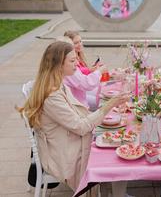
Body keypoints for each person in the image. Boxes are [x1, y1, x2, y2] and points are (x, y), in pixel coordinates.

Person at [18, 41, 129, 191]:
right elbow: (81, 127)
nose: (77, 63)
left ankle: (115, 192)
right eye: (72, 60)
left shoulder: (58, 83)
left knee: (112, 143)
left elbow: (79, 116)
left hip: (67, 142)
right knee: (113, 156)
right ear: (58, 65)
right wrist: (109, 105)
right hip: (62, 155)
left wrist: (102, 115)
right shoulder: (51, 95)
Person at [56, 36, 105, 110]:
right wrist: (99, 71)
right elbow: (86, 84)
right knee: (104, 103)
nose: (76, 63)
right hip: (78, 106)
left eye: (80, 41)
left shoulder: (65, 67)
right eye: (76, 43)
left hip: (78, 102)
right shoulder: (68, 71)